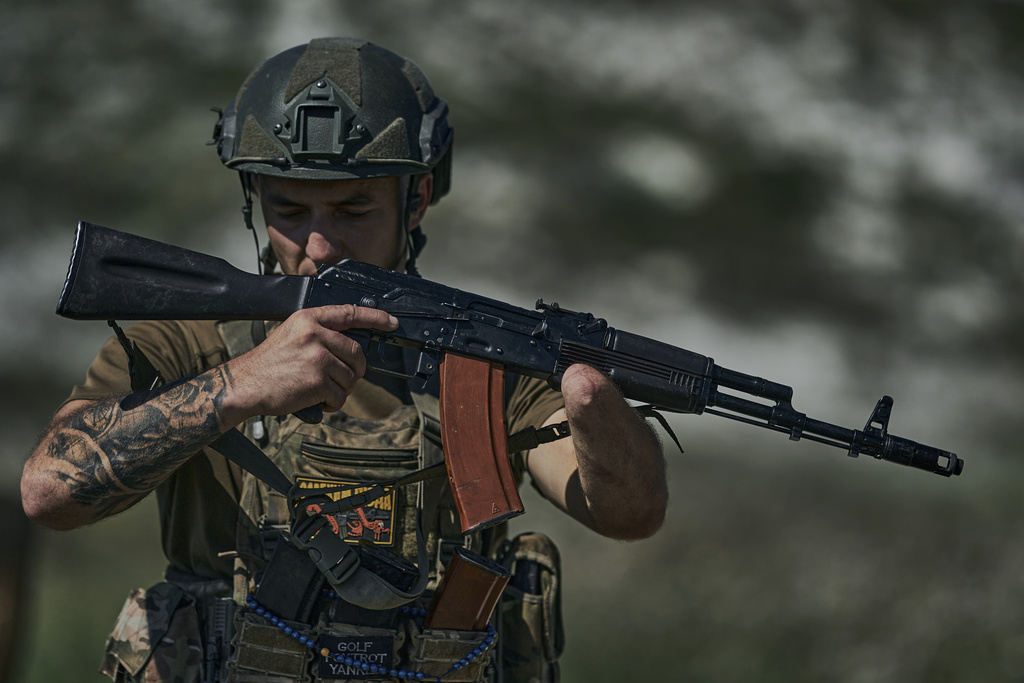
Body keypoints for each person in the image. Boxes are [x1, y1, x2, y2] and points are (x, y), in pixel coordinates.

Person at [21, 37, 668, 683]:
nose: (320, 244)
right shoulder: (190, 343)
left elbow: (628, 512)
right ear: (256, 198)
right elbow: (49, 491)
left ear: (414, 200)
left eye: (354, 208)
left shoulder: (479, 365)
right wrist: (242, 384)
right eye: (291, 210)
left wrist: (591, 398)